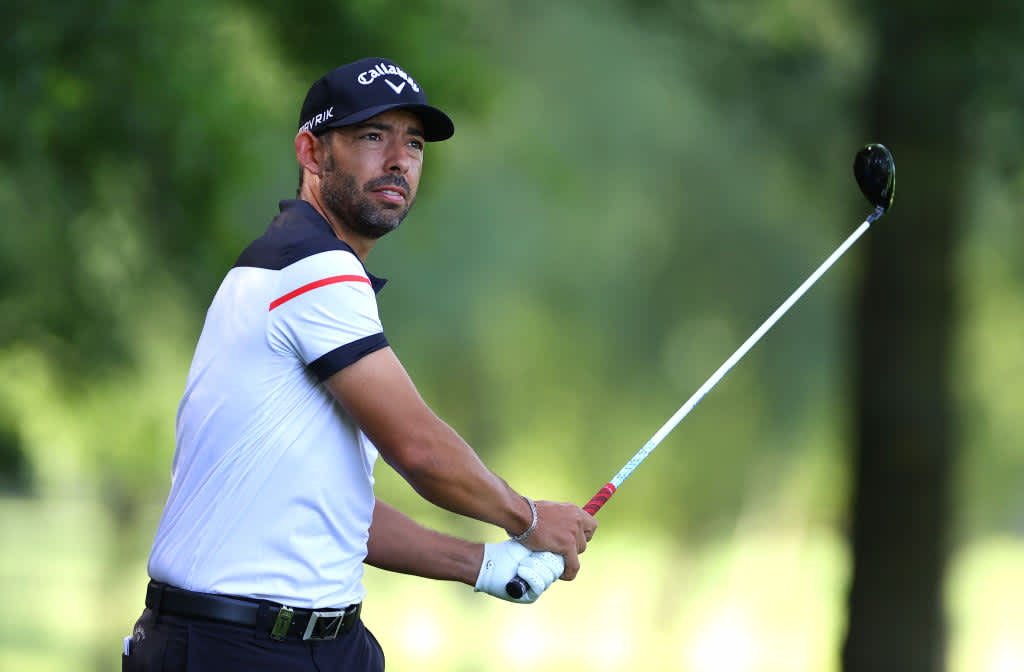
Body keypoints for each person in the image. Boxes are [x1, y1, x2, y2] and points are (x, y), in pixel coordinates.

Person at [122, 57, 597, 671]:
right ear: (312, 152)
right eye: (373, 136)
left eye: (415, 144)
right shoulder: (311, 268)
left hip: (321, 646)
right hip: (236, 649)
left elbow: (340, 512)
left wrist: (480, 564)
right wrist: (529, 519)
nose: (398, 159)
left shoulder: (299, 266)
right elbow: (420, 449)